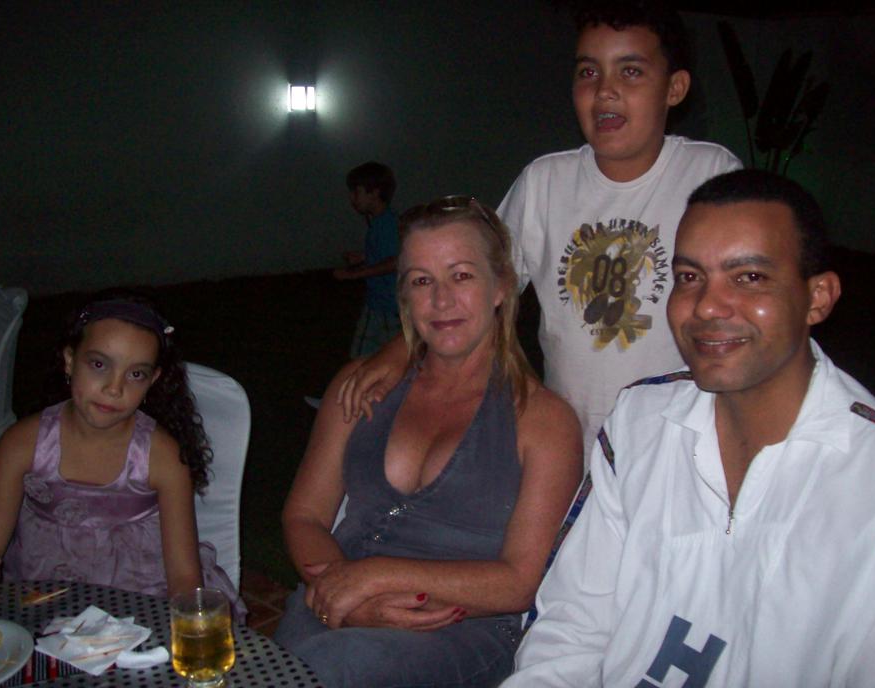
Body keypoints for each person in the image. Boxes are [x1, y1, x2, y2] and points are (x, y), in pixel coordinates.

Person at [501, 169, 875, 687]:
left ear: (818, 297)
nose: (706, 306)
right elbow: (572, 625)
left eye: (748, 277)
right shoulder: (641, 423)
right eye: (689, 277)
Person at [336, 1, 741, 450]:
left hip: (678, 441)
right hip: (571, 438)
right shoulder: (545, 182)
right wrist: (400, 350)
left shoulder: (709, 174)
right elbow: (477, 283)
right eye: (588, 72)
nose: (604, 90)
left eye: (630, 72)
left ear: (675, 87)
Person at [275, 197, 583, 687]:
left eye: (461, 276)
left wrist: (374, 577)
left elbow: (520, 582)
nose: (441, 300)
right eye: (422, 281)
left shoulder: (544, 421)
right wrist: (346, 597)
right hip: (331, 598)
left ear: (501, 286)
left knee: (327, 670)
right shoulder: (360, 386)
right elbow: (305, 515)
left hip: (459, 627)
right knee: (280, 668)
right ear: (404, 295)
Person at [0, 292, 245, 619]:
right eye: (99, 365)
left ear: (153, 380)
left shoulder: (162, 457)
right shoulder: (22, 444)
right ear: (70, 360)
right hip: (43, 602)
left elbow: (183, 577)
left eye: (136, 374)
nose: (114, 388)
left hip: (141, 603)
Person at [334, 161, 402, 358]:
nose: (352, 198)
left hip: (385, 306)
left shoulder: (386, 224)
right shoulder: (382, 221)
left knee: (361, 358)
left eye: (356, 192)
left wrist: (355, 273)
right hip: (384, 305)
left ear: (374, 193)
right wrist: (363, 256)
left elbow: (396, 261)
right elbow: (385, 253)